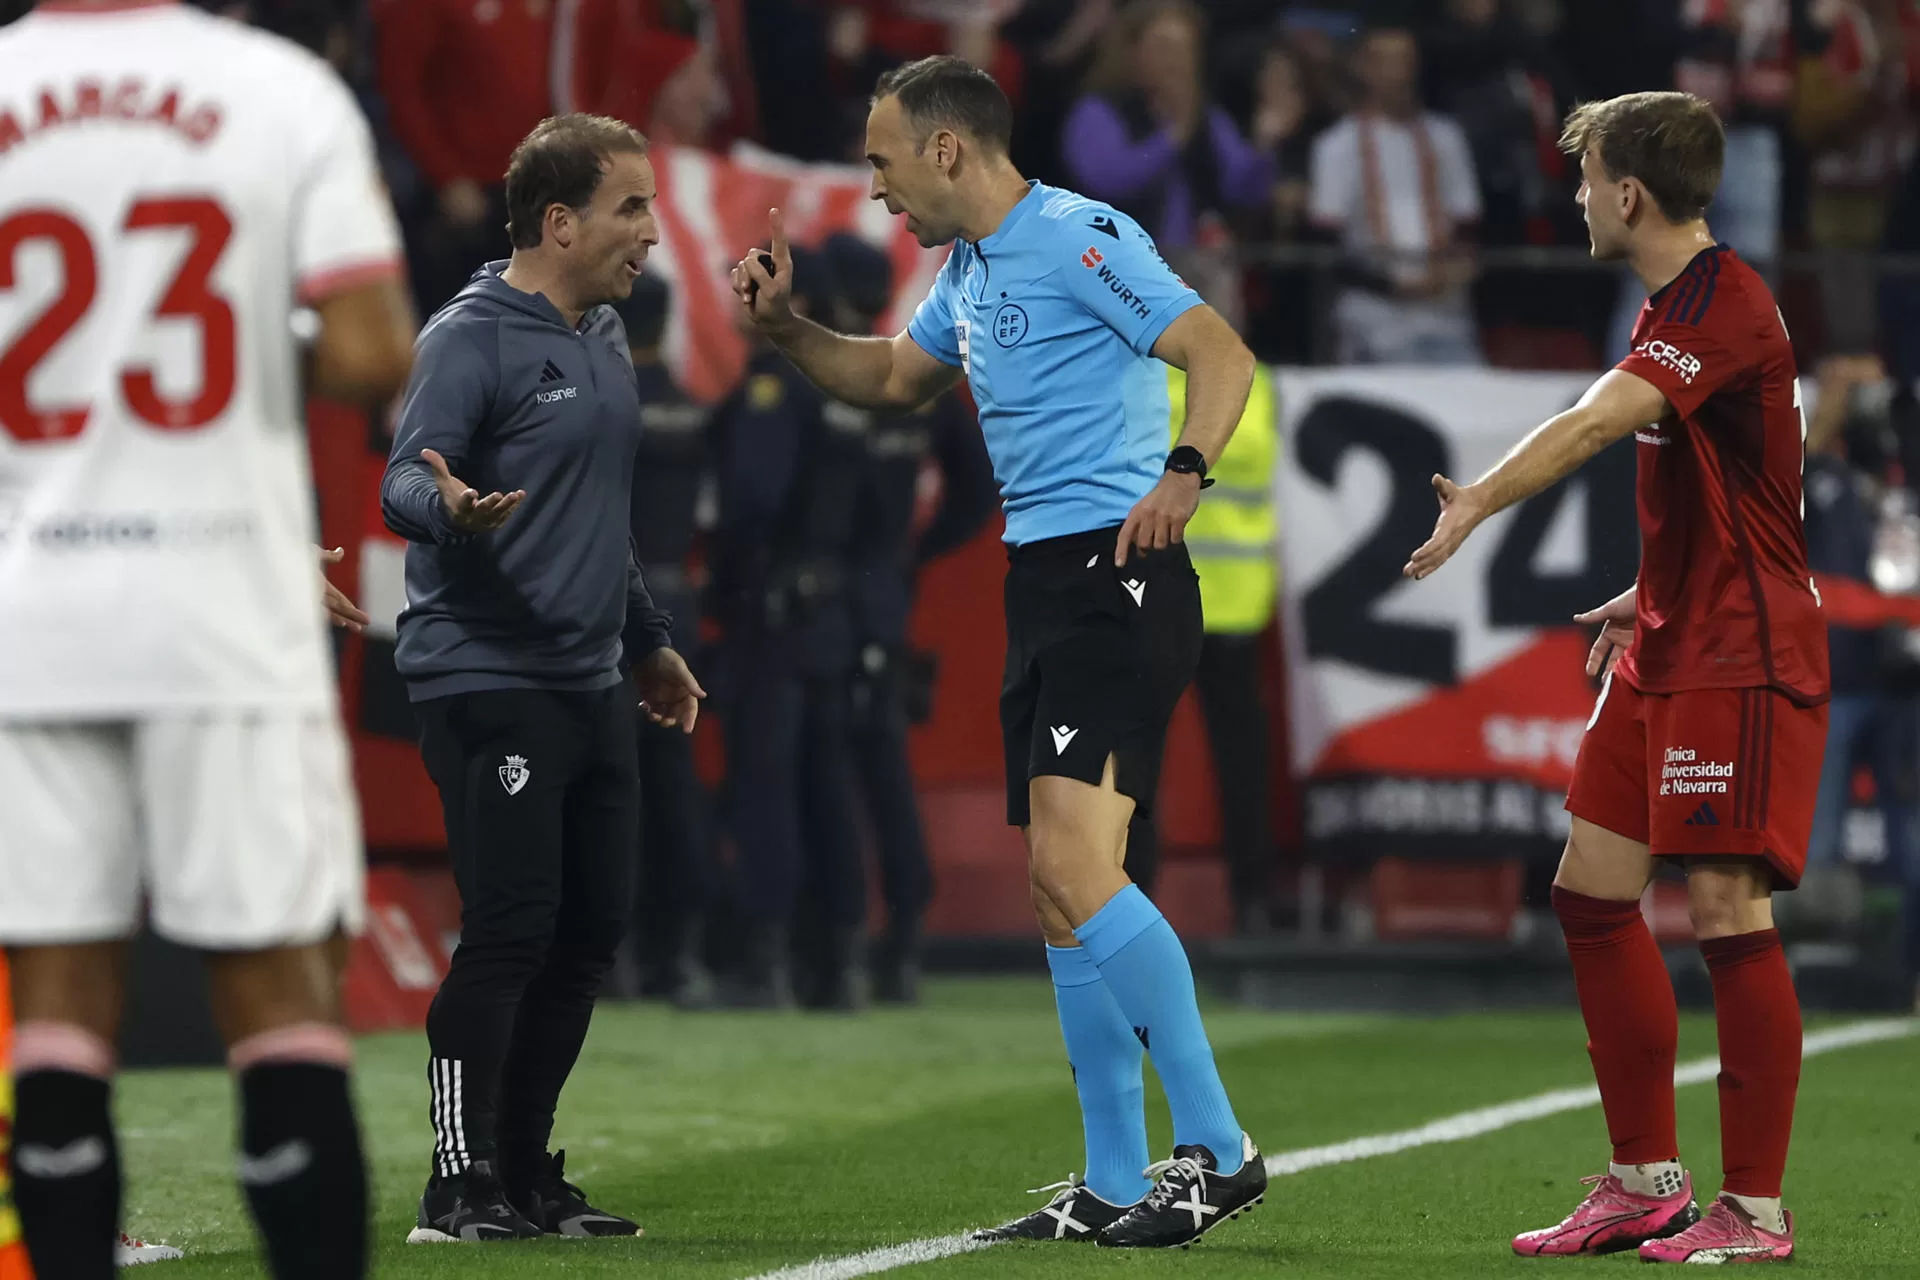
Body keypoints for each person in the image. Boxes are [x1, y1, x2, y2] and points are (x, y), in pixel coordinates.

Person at [732, 54, 1267, 1247]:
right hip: (1048, 588)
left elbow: (1222, 354)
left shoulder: (1081, 234)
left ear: (947, 149)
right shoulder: (968, 273)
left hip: (1114, 578)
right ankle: (1113, 1179)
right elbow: (888, 377)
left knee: (1079, 873)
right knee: (1058, 893)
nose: (876, 191)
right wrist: (783, 332)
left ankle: (1221, 1145)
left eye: (881, 162)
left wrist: (1187, 472)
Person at [0, 2, 417, 1277]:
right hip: (218, 611)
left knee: (58, 1013)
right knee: (277, 992)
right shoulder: (276, 89)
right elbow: (369, 349)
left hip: (35, 615)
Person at [1404, 91, 1825, 1265]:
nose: (1578, 196)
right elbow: (1741, 484)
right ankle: (1646, 1181)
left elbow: (1605, 417)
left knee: (1728, 908)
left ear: (1628, 192)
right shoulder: (1683, 303)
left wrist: (1481, 496)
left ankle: (1756, 1208)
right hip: (1674, 634)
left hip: (1740, 650)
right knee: (1591, 889)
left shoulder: (1721, 304)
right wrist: (1650, 589)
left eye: (1587, 179)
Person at [380, 112, 704, 1243]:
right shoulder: (468, 336)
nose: (653, 233)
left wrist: (650, 635)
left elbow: (594, 521)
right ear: (558, 222)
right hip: (486, 670)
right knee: (512, 929)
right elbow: (401, 484)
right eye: (632, 208)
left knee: (586, 936)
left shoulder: (605, 334)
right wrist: (451, 507)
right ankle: (454, 1180)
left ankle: (524, 1170)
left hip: (589, 675)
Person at [823, 231, 997, 1003]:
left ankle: (838, 944)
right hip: (885, 589)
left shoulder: (834, 376)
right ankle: (900, 940)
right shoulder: (916, 380)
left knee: (824, 774)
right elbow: (977, 486)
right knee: (883, 770)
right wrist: (914, 552)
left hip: (828, 593)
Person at [710, 246, 870, 1010]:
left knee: (767, 784)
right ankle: (840, 957)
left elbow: (752, 496)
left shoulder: (779, 382)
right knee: (829, 786)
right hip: (835, 605)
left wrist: (727, 580)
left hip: (775, 610)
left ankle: (767, 957)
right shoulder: (851, 380)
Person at [612, 274, 719, 1009]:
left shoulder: (609, 409)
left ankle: (610, 952)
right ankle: (678, 954)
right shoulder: (695, 411)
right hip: (680, 599)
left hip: (616, 613)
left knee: (611, 787)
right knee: (678, 789)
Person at [1307, 25, 1483, 365]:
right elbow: (1326, 247)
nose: (1397, 74)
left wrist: (1454, 270)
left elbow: (1468, 225)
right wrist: (1390, 287)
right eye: (1384, 62)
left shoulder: (1446, 138)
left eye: (1404, 61)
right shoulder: (1337, 146)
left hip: (1445, 312)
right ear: (1363, 68)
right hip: (1372, 315)